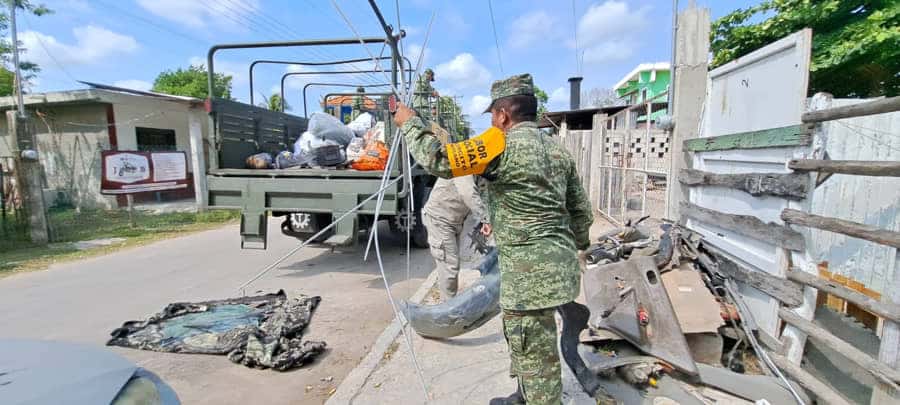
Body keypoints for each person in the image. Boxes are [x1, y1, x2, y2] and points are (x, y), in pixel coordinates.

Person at [394, 73, 593, 404]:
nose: (491, 121)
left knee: (534, 351)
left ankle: (538, 398)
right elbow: (581, 214)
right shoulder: (558, 151)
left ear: (503, 115)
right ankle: (522, 396)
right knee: (527, 342)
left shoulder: (498, 144)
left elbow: (440, 160)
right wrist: (576, 248)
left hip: (527, 279)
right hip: (560, 271)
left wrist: (410, 123)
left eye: (492, 115)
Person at [423, 175, 491, 301]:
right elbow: (468, 193)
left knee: (451, 265)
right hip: (440, 220)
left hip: (453, 221)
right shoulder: (464, 167)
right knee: (449, 266)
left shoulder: (480, 170)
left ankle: (448, 303)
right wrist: (485, 218)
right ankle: (447, 310)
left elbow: (484, 193)